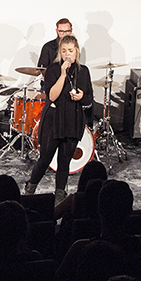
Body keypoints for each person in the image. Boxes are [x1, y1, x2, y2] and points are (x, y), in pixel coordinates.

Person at [25, 34, 93, 204]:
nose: (67, 54)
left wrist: (81, 96)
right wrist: (62, 74)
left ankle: (60, 194)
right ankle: (30, 188)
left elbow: (89, 99)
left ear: (76, 51)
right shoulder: (53, 70)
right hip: (54, 119)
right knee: (45, 158)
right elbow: (52, 96)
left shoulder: (83, 71)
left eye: (70, 50)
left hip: (73, 119)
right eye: (64, 51)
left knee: (65, 161)